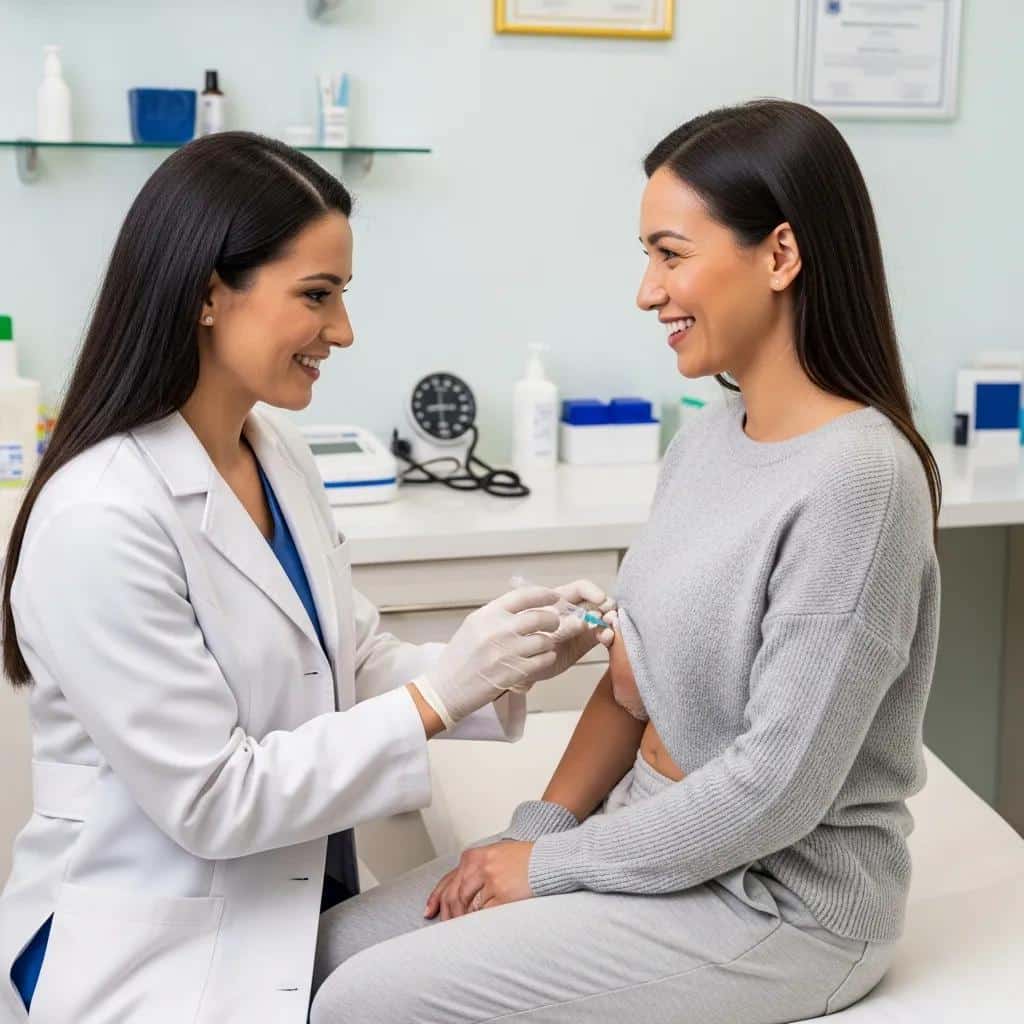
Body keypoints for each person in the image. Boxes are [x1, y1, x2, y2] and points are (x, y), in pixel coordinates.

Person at [309, 99, 942, 1024]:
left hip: (776, 902)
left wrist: (548, 867)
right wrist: (534, 832)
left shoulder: (861, 481)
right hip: (645, 842)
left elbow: (772, 793)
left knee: (363, 1002)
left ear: (780, 254)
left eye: (670, 253)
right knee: (319, 958)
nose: (648, 291)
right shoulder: (709, 438)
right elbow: (623, 684)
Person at [0, 132, 611, 1023]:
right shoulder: (101, 517)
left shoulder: (274, 455)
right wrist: (442, 694)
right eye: (316, 296)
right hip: (140, 946)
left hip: (275, 906)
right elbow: (213, 799)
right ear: (211, 294)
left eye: (343, 295)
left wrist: (508, 660)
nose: (344, 331)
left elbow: (344, 664)